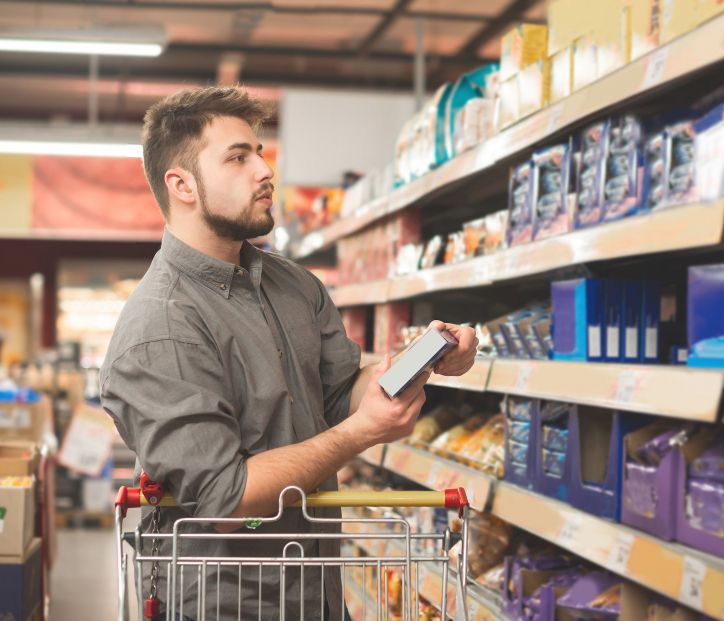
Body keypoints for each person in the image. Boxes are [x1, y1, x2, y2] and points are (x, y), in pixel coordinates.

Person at [100, 86, 477, 619]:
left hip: (314, 590)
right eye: (238, 157)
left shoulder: (295, 285)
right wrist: (361, 433)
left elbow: (341, 392)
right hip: (228, 603)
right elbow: (226, 498)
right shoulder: (160, 328)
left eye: (259, 151)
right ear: (181, 185)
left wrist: (421, 363)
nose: (264, 170)